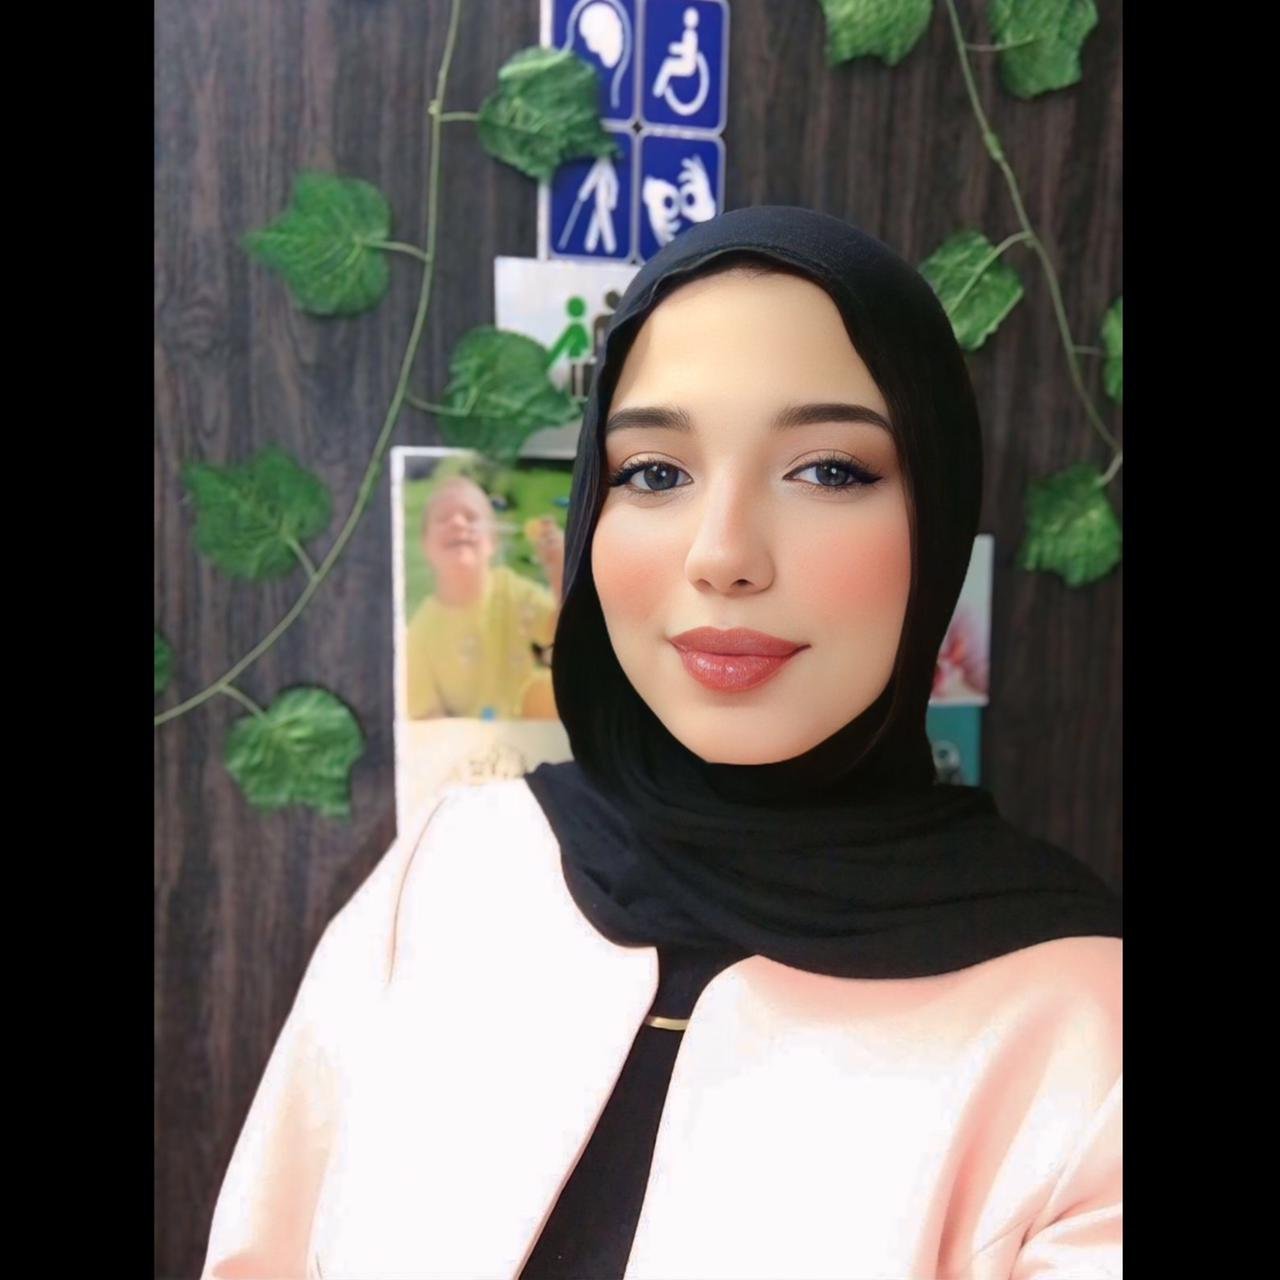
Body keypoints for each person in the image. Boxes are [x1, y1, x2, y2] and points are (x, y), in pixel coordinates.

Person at [201, 207, 1122, 1280]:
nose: (722, 554)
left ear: (938, 514)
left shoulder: (1079, 1021)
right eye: (652, 472)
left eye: (829, 469)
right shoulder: (456, 869)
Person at [404, 473, 564, 720]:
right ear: (426, 546)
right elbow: (427, 720)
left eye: (471, 517)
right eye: (443, 518)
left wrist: (560, 570)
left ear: (493, 541)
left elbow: (565, 631)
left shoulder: (511, 591)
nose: (458, 523)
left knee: (547, 689)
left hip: (525, 730)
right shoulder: (419, 634)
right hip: (465, 741)